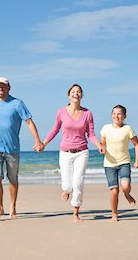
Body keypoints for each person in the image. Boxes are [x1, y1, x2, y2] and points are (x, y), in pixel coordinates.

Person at [0, 77, 44, 220]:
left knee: (13, 179)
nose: (0, 89)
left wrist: (37, 140)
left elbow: (29, 122)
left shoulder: (17, 104)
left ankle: (12, 206)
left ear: (9, 87)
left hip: (12, 148)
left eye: (3, 86)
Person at [41, 84, 105, 223]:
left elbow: (91, 134)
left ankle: (75, 212)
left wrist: (98, 144)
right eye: (73, 91)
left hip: (82, 151)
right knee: (67, 185)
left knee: (78, 183)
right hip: (65, 152)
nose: (76, 93)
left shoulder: (88, 113)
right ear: (69, 95)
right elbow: (54, 130)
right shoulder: (61, 112)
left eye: (79, 92)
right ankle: (66, 190)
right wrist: (44, 143)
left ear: (81, 95)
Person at [100, 105, 138, 222]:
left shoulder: (128, 129)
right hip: (109, 164)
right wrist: (101, 147)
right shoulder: (106, 128)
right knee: (114, 191)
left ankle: (127, 195)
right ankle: (114, 213)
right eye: (114, 113)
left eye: (119, 114)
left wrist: (137, 161)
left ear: (124, 116)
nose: (116, 116)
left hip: (124, 162)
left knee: (125, 186)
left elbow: (137, 144)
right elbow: (102, 142)